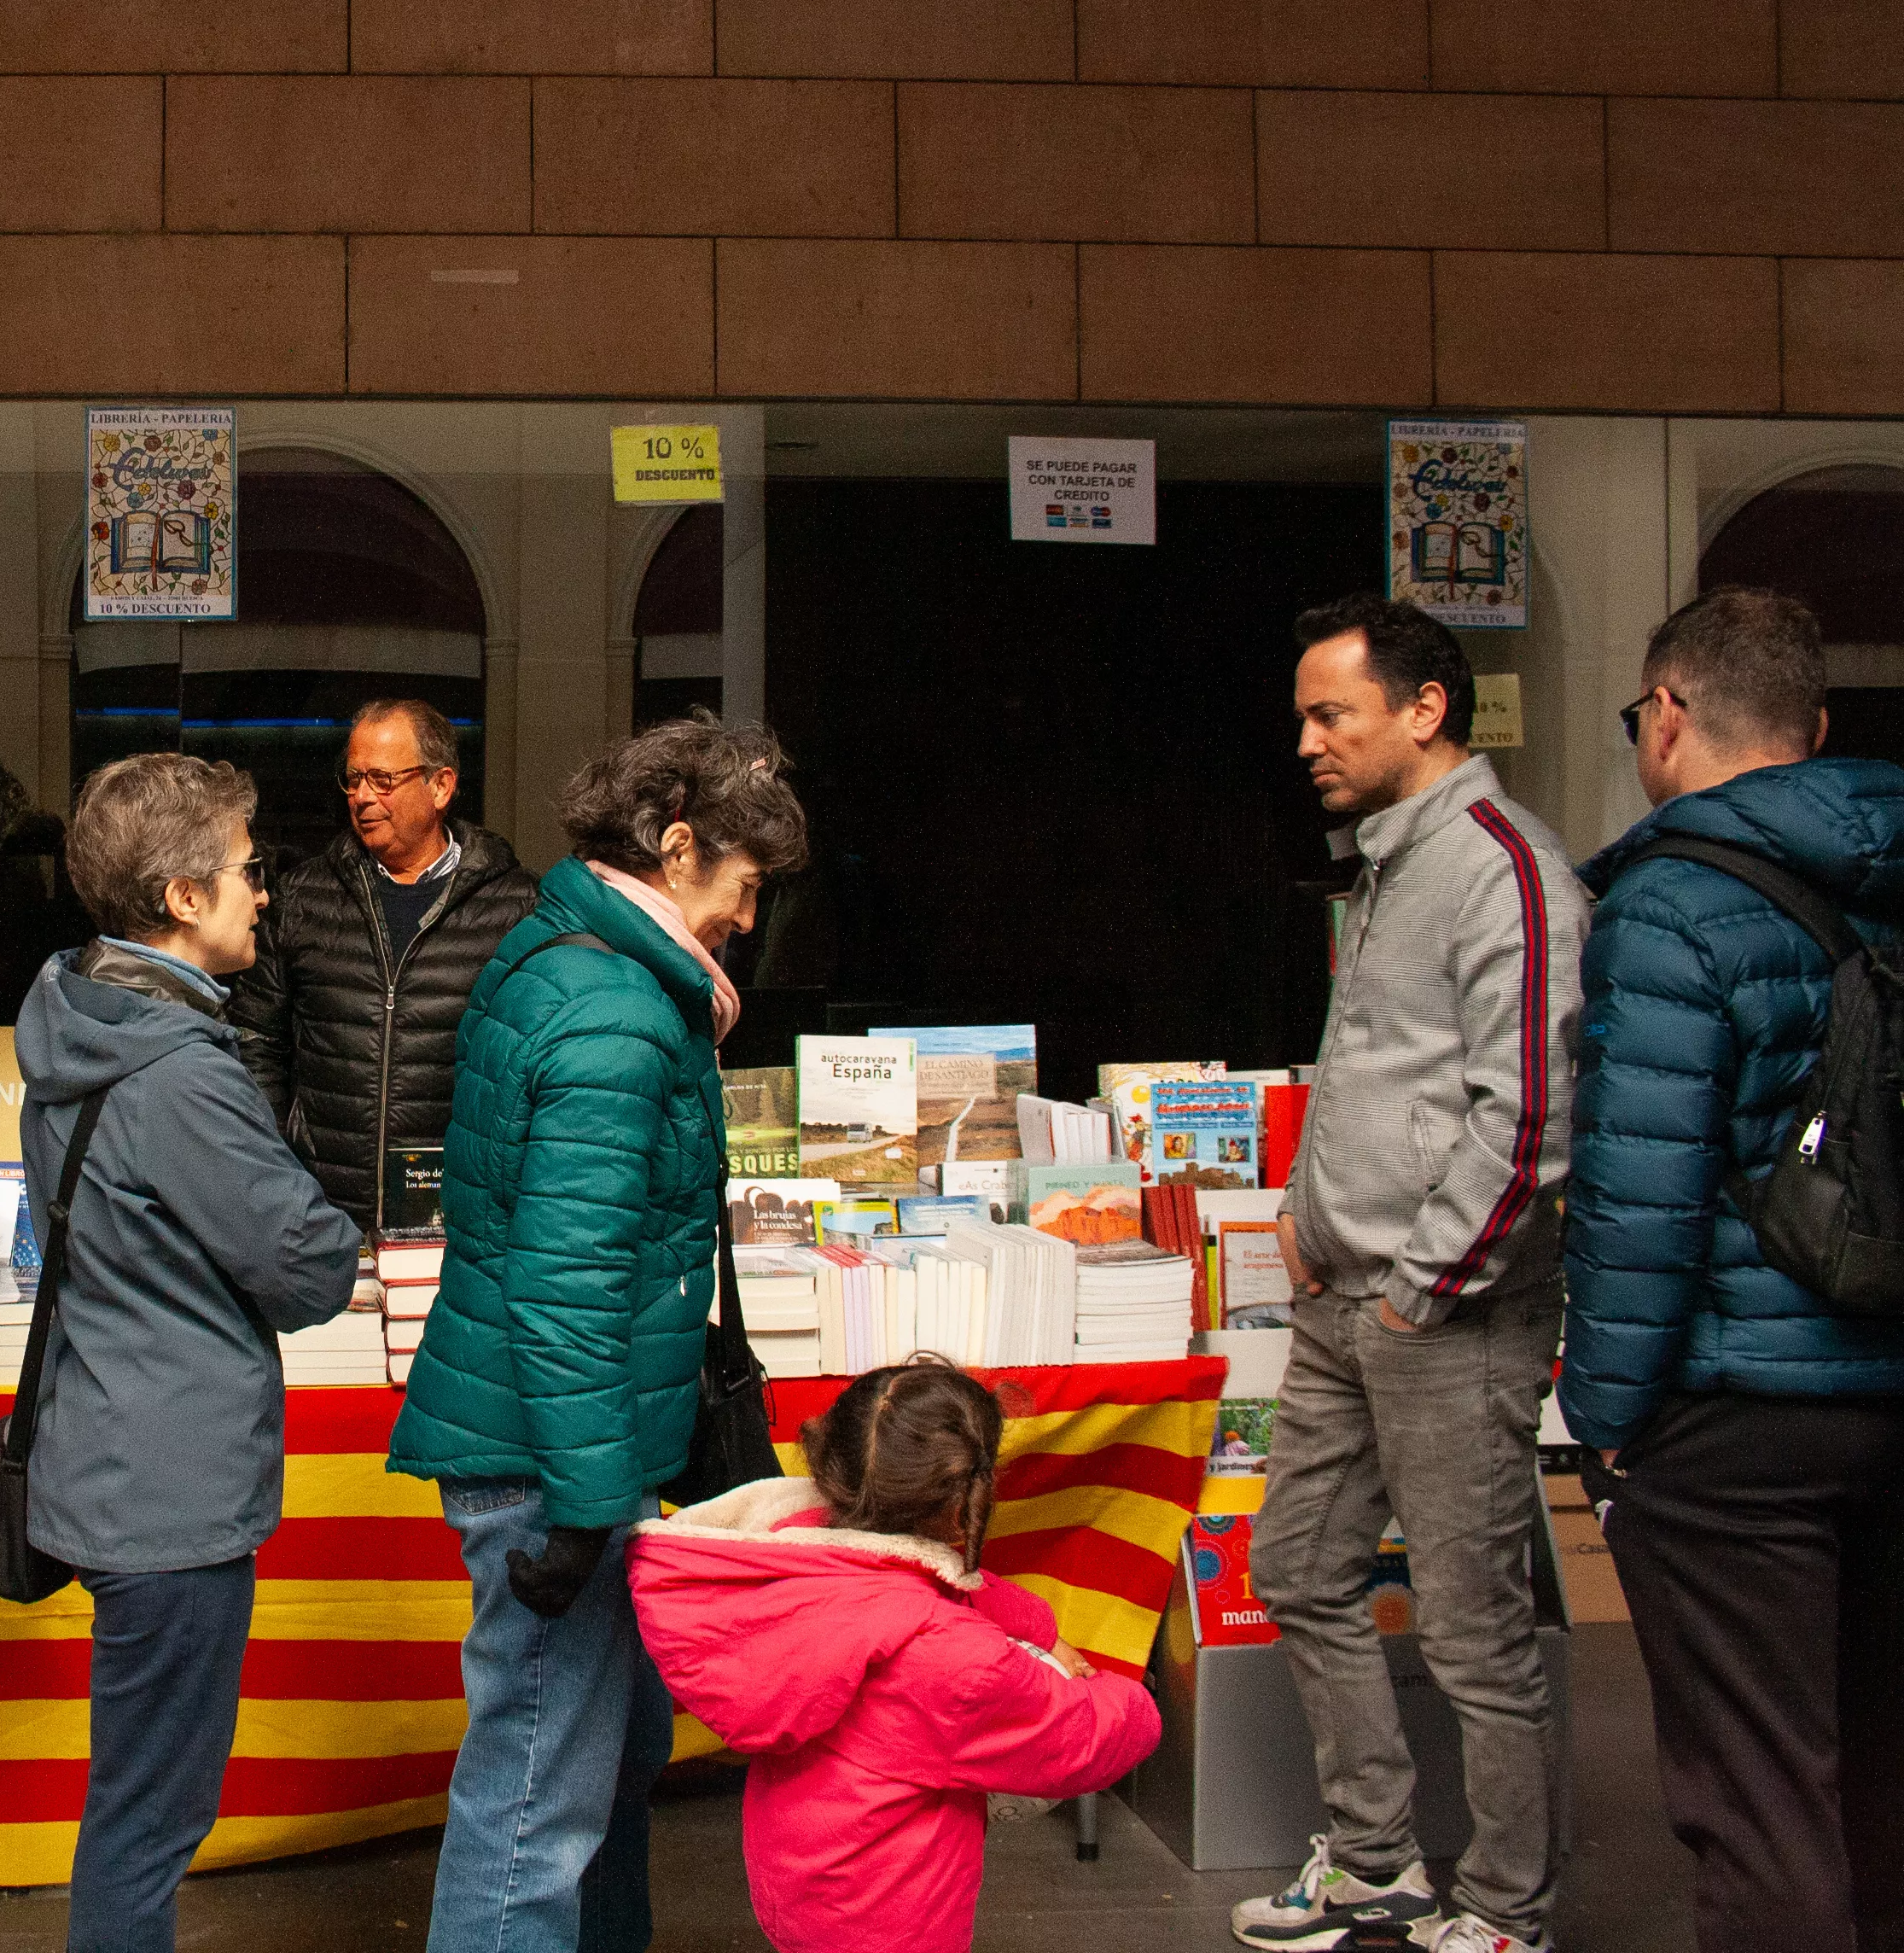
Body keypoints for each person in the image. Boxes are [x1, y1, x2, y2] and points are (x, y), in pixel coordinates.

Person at [388, 713, 809, 1953]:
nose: (748, 917)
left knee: (596, 1760)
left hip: (563, 1454)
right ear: (678, 848)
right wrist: (583, 1507)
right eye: (743, 885)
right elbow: (568, 1285)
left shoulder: (576, 960)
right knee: (533, 1806)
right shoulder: (617, 1012)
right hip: (550, 1468)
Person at [1562, 587, 1904, 1953]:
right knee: (1875, 1777)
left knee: (1760, 1795)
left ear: (1669, 715)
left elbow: (1642, 1199)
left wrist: (1610, 1423)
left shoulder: (1669, 906)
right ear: (1815, 732)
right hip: (1889, 1390)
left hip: (1734, 1409)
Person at [1242, 598, 1584, 1953]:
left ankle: (1505, 1907)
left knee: (1473, 1630)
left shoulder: (1506, 865)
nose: (1311, 743)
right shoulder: (1388, 857)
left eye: (1335, 715)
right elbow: (1395, 1075)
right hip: (1346, 1302)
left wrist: (1419, 1284)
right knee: (1300, 1569)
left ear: (1425, 711)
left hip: (1448, 1315)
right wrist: (1312, 1213)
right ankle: (1377, 1857)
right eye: (1306, 719)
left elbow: (1532, 1113)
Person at [11, 752, 364, 1953]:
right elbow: (310, 1265)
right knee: (152, 1815)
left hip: (105, 1448)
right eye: (249, 871)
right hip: (169, 1490)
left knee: (137, 1800)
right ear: (180, 898)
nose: (264, 894)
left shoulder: (75, 1015)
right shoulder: (178, 1073)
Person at [632, 1360, 1161, 1953]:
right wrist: (1130, 1696)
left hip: (800, 1872)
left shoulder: (792, 1550)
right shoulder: (948, 1657)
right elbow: (1075, 1738)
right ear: (966, 1505)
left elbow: (914, 1576)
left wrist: (1032, 1621)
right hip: (892, 1911)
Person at [230, 698, 538, 1234]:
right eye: (354, 779)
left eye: (382, 779)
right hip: (320, 1219)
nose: (363, 796)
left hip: (462, 1223)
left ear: (441, 787)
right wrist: (279, 1172)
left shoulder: (515, 909)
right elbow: (256, 1039)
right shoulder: (303, 898)